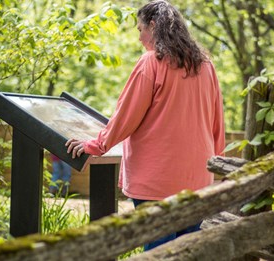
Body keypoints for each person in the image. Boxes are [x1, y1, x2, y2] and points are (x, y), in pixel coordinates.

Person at [66, 0, 225, 251]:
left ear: (153, 26)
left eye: (140, 29)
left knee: (158, 252)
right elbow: (217, 122)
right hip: (198, 178)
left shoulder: (151, 62)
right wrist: (215, 163)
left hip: (158, 181)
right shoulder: (206, 66)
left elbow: (126, 116)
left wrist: (96, 145)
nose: (139, 37)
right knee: (186, 252)